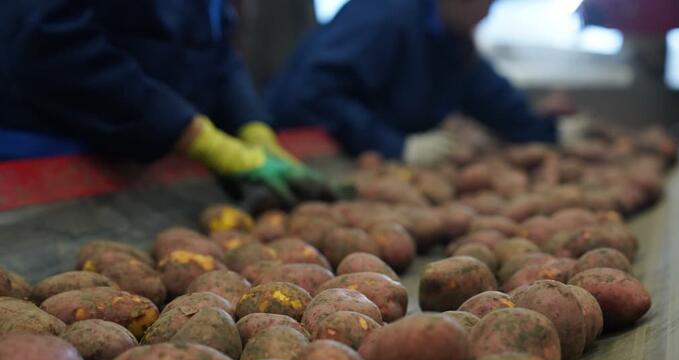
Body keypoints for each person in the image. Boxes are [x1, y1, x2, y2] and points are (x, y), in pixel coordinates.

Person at [0, 0, 322, 204]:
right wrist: (191, 134)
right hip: (43, 159)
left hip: (150, 166)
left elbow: (216, 50)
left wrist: (251, 124)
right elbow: (45, 42)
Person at [263, 0, 572, 167]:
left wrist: (549, 131)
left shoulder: (451, 36)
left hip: (369, 158)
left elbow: (488, 94)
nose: (487, 13)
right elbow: (313, 91)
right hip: (299, 150)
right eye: (487, 3)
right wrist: (394, 145)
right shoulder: (383, 17)